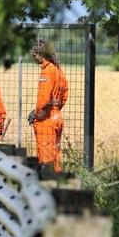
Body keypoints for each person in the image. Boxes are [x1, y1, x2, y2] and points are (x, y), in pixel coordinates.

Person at [28, 39, 68, 172]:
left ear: (40, 54)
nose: (34, 59)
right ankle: (58, 186)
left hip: (46, 121)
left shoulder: (46, 71)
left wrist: (38, 114)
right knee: (55, 157)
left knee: (46, 160)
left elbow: (43, 98)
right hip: (57, 117)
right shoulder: (58, 70)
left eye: (34, 56)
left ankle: (47, 188)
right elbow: (64, 96)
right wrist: (55, 109)